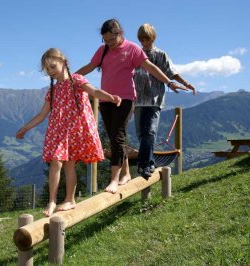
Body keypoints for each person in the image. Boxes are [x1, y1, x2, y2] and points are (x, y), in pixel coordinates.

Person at [76, 18, 188, 193]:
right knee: (115, 136)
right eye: (106, 41)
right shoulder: (103, 50)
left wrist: (169, 82)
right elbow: (90, 66)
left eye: (112, 39)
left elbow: (150, 67)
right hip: (106, 99)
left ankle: (114, 179)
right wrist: (70, 77)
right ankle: (127, 173)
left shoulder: (132, 49)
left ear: (119, 33)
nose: (110, 43)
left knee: (117, 136)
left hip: (126, 99)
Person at [16, 48, 121, 216]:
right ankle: (51, 201)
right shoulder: (53, 90)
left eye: (52, 66)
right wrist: (25, 128)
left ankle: (70, 200)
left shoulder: (77, 80)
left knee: (69, 165)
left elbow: (94, 92)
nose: (50, 72)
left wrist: (110, 97)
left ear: (63, 62)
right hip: (58, 132)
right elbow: (42, 114)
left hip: (73, 131)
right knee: (56, 161)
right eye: (47, 70)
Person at [132, 23, 196, 178]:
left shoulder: (160, 55)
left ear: (153, 37)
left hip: (154, 99)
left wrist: (185, 83)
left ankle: (144, 165)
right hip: (138, 99)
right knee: (141, 134)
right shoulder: (135, 54)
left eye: (146, 39)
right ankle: (151, 161)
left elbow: (172, 72)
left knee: (150, 131)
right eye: (141, 39)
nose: (144, 42)